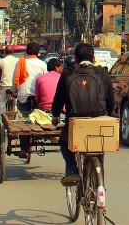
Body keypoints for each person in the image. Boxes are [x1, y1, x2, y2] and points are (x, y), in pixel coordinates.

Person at [50, 43, 114, 185]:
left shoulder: (68, 72)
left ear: (76, 59)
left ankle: (72, 169)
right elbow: (110, 98)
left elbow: (59, 98)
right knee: (98, 149)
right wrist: (110, 115)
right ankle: (99, 184)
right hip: (99, 117)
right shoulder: (102, 72)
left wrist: (55, 116)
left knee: (63, 141)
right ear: (93, 57)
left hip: (75, 118)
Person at [13, 41, 48, 117]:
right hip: (38, 96)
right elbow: (46, 81)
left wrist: (15, 91)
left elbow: (15, 79)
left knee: (22, 119)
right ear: (38, 51)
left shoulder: (20, 62)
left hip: (23, 94)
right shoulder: (42, 64)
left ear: (27, 51)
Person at [0, 47, 18, 113]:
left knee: (2, 102)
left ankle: (1, 117)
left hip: (5, 85)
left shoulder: (1, 61)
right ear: (13, 51)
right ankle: (16, 116)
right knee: (16, 103)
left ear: (5, 52)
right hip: (15, 86)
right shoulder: (18, 60)